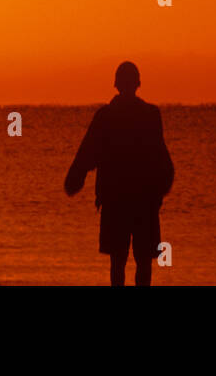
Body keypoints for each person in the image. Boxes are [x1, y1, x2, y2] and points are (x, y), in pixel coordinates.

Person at [64, 61, 174, 286]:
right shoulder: (150, 115)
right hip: (143, 201)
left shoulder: (106, 116)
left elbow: (87, 152)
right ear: (137, 84)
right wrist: (160, 191)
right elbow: (163, 160)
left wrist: (76, 176)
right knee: (142, 261)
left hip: (118, 201)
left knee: (118, 261)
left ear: (116, 85)